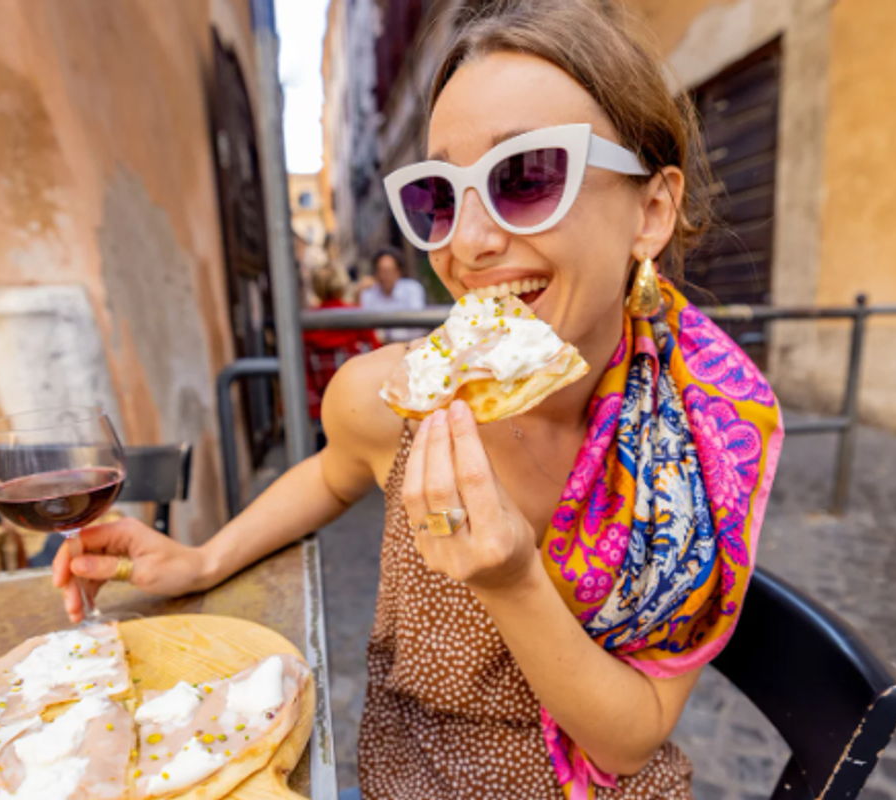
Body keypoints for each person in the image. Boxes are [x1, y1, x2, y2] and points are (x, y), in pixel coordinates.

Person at [53, 2, 784, 797]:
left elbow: (628, 742)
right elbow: (334, 474)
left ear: (650, 211)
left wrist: (511, 582)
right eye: (440, 194)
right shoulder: (392, 397)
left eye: (526, 176)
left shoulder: (710, 433)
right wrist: (204, 556)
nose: (466, 243)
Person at [304, 265, 381, 422]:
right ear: (342, 285)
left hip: (322, 407)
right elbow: (378, 355)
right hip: (360, 404)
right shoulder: (357, 316)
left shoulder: (307, 323)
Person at [358, 248, 427, 342]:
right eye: (381, 271)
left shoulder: (412, 288)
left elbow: (418, 326)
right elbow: (364, 327)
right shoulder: (369, 292)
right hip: (378, 349)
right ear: (376, 273)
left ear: (398, 271)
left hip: (408, 346)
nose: (385, 276)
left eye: (389, 271)